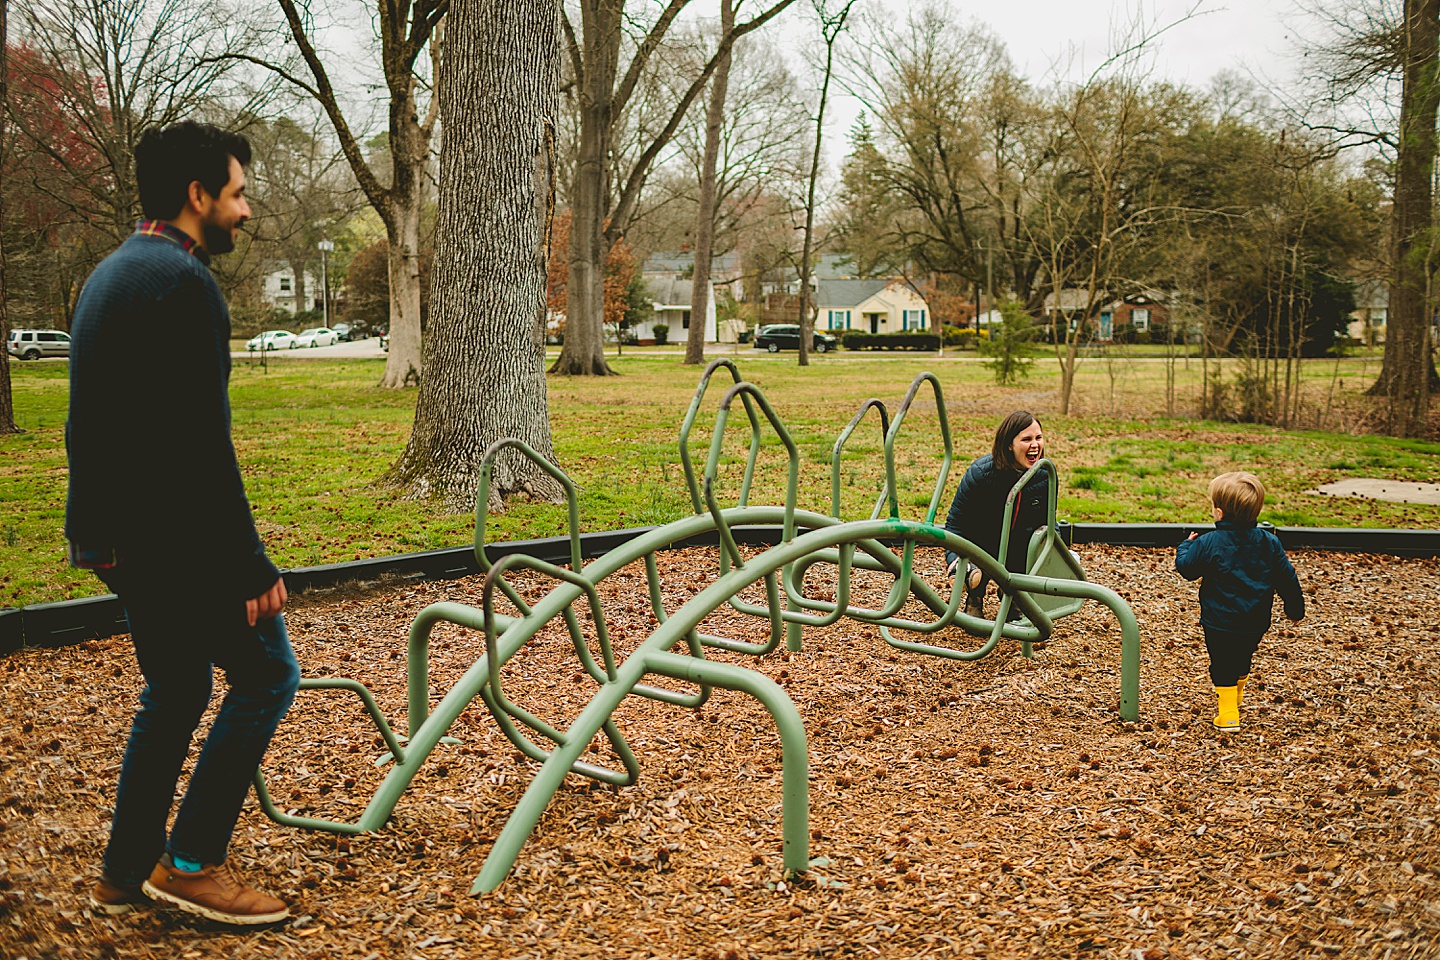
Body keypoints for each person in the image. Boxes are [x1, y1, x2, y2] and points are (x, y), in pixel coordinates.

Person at [66, 121, 298, 925]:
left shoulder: (111, 274)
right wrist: (248, 566)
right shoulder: (181, 282)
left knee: (176, 688)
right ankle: (192, 863)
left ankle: (124, 873)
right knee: (268, 676)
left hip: (118, 535)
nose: (245, 209)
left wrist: (95, 538)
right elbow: (200, 446)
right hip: (171, 538)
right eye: (236, 193)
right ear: (197, 195)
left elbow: (96, 426)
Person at [1175, 471, 1304, 731]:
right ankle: (1236, 695)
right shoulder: (1270, 543)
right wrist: (1295, 608)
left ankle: (1229, 713)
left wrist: (1185, 546)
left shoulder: (1209, 543)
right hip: (1255, 619)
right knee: (1243, 656)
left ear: (1219, 513)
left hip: (1219, 620)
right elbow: (1287, 578)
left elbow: (1187, 569)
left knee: (1221, 663)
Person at [943, 410, 1050, 619]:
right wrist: (954, 558)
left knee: (1034, 544)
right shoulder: (981, 474)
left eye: (1038, 438)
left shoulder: (1044, 476)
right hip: (981, 546)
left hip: (1017, 549)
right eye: (1026, 439)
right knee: (975, 564)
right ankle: (974, 596)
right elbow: (955, 524)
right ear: (1009, 444)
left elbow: (1048, 522)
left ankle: (1013, 593)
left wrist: (1057, 553)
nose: (1035, 445)